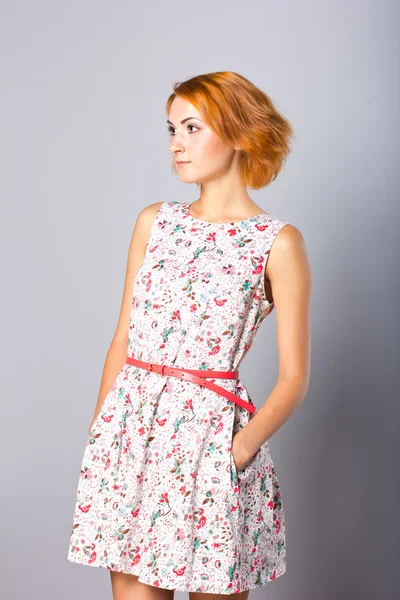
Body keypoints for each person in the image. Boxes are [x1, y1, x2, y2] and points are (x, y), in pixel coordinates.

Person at [67, 71, 312, 600]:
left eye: (192, 128)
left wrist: (238, 450)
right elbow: (122, 340)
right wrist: (101, 432)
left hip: (212, 447)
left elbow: (294, 377)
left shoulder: (277, 243)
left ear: (240, 133)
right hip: (135, 440)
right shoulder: (153, 222)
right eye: (171, 129)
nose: (177, 143)